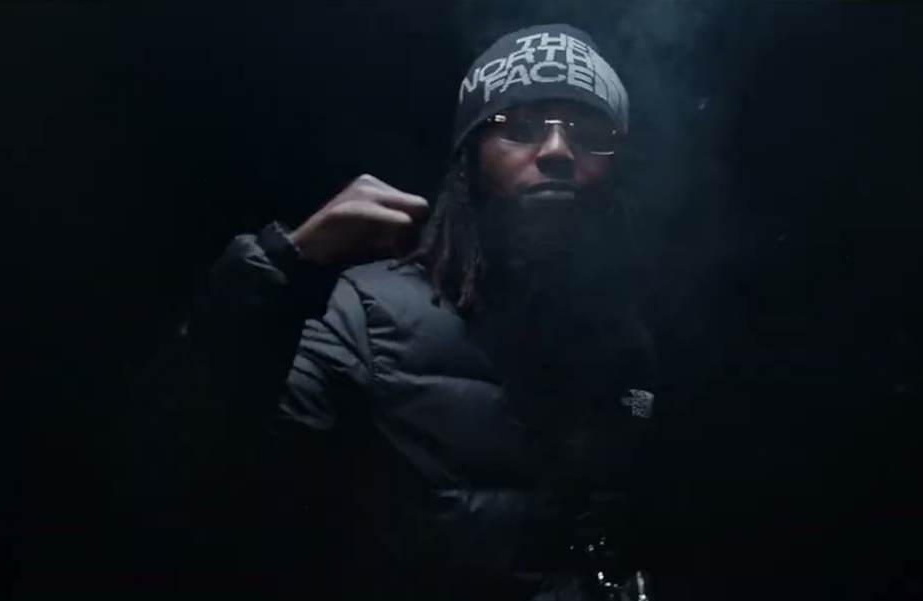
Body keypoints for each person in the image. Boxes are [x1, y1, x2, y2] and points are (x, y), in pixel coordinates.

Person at [128, 24, 670, 601]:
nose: (558, 151)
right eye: (519, 127)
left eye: (589, 133)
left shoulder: (622, 340)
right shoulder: (367, 314)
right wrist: (281, 268)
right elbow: (169, 474)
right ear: (469, 160)